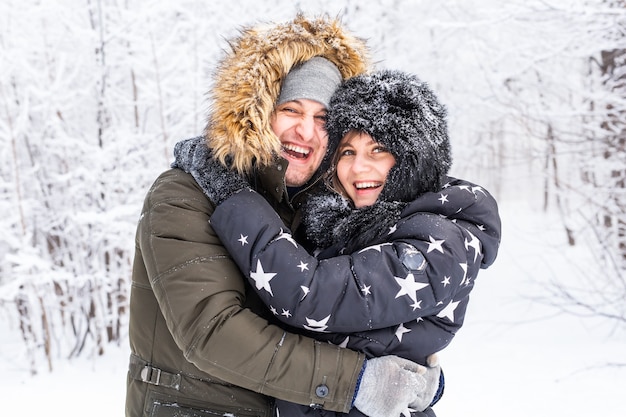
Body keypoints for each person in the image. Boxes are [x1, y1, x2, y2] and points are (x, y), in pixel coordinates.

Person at [126, 15, 442, 417]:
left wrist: (412, 375)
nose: (305, 132)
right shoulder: (183, 193)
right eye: (291, 109)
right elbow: (212, 330)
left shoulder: (330, 204)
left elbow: (356, 304)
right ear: (256, 113)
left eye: (323, 118)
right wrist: (358, 380)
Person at [172, 70, 502, 417]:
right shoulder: (359, 225)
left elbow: (309, 295)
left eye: (378, 149)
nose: (358, 167)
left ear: (413, 157)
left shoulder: (440, 240)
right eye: (347, 151)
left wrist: (231, 194)